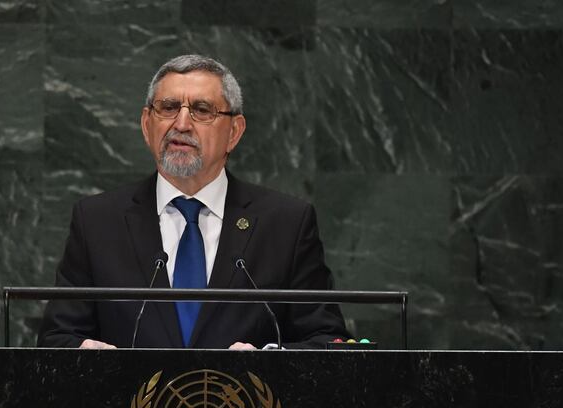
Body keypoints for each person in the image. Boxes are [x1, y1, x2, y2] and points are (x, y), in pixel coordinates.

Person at [37, 54, 349, 349]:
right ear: (147, 125)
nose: (182, 124)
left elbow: (326, 340)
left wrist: (268, 359)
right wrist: (83, 353)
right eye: (168, 107)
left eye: (201, 110)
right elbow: (56, 338)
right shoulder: (97, 221)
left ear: (234, 132)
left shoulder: (286, 224)